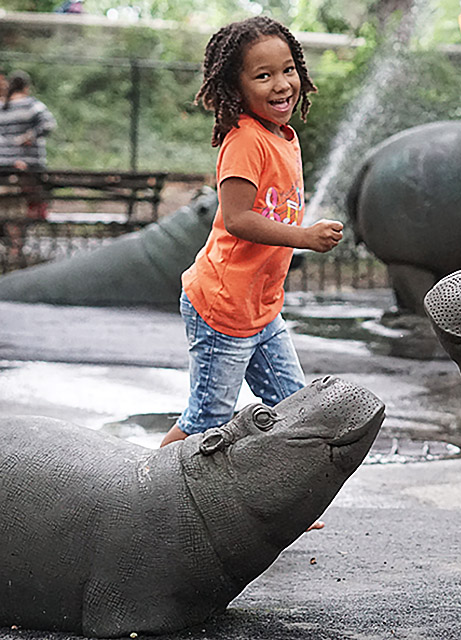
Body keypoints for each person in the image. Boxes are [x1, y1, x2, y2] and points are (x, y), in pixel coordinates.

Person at [161, 16, 343, 534]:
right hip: (221, 307)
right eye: (262, 76)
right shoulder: (244, 141)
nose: (281, 84)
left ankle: (282, 504)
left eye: (287, 70)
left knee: (294, 407)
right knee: (206, 419)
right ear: (235, 87)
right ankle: (141, 492)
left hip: (260, 308)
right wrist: (304, 237)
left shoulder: (283, 136)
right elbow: (239, 218)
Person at [0, 70, 57, 256]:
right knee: (32, 204)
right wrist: (29, 136)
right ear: (26, 87)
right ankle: (18, 244)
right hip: (30, 164)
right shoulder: (33, 105)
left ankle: (14, 245)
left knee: (9, 206)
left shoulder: (2, 106)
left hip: (5, 165)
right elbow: (49, 124)